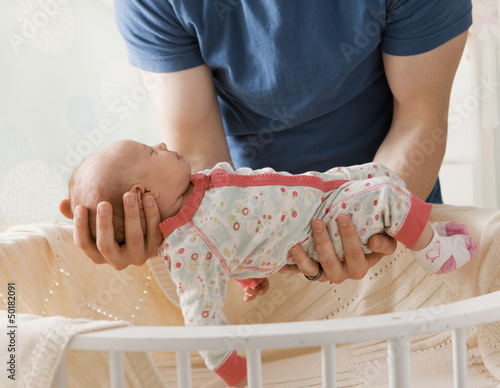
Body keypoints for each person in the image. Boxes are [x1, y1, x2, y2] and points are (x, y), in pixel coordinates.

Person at [72, 1, 472, 285]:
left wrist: (369, 223)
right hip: (252, 240)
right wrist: (174, 230)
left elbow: (419, 122)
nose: (158, 146)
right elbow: (194, 155)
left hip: (396, 213)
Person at [60, 139, 477, 387]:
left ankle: (421, 229)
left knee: (381, 172)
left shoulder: (194, 191)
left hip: (316, 189)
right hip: (318, 229)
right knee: (384, 196)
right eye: (153, 151)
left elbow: (239, 240)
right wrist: (238, 371)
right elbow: (201, 314)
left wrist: (251, 273)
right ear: (143, 194)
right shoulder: (186, 245)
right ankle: (433, 252)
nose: (165, 145)